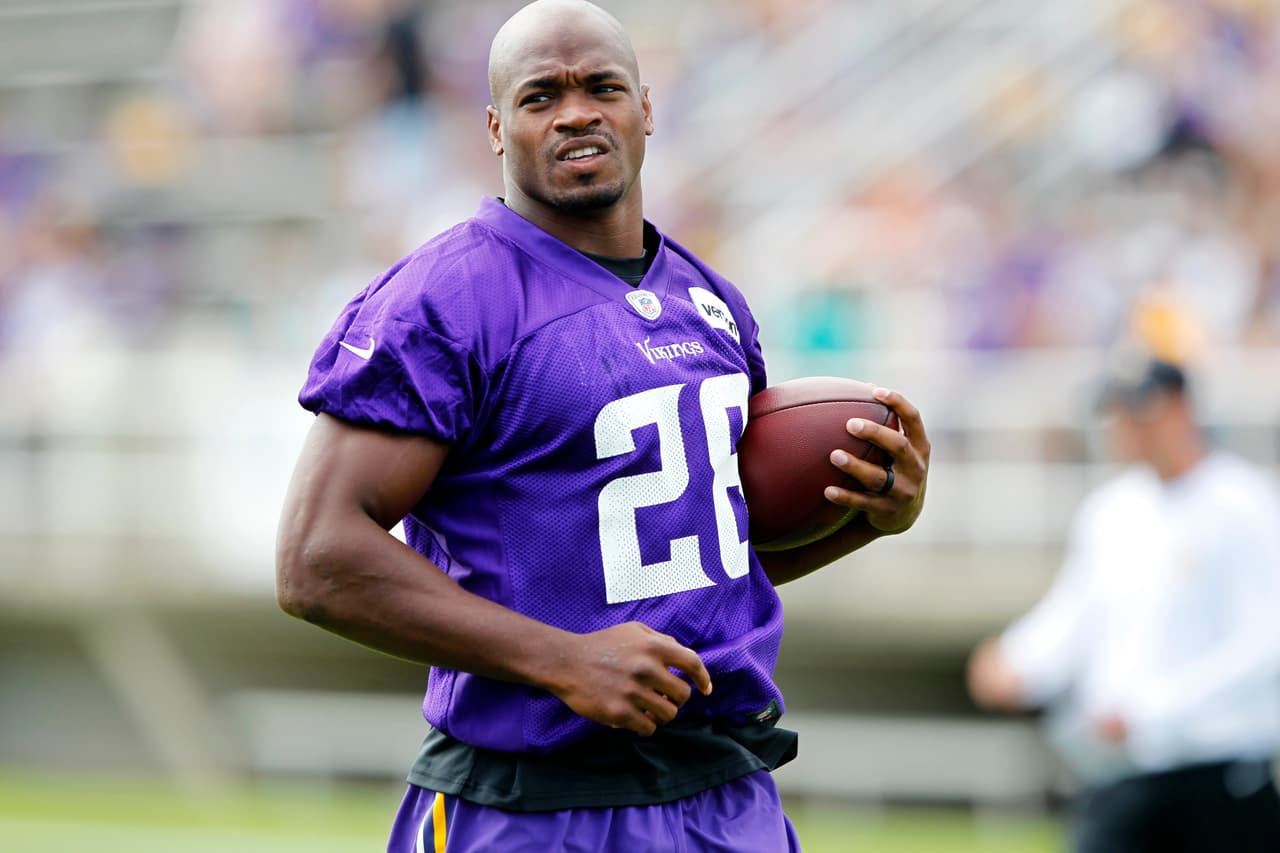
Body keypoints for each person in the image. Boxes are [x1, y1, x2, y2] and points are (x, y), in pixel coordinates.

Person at [275, 1, 930, 850]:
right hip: (531, 804)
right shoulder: (446, 298)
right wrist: (563, 658)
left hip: (724, 791)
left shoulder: (710, 302)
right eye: (541, 95)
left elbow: (695, 564)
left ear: (646, 109)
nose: (576, 112)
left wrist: (868, 518)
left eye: (602, 87)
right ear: (496, 127)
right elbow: (316, 558)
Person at [967, 353, 1280, 853]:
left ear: (1182, 410)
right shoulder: (1111, 510)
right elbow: (1076, 616)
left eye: (1141, 413)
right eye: (1118, 415)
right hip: (1123, 770)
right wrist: (1018, 660)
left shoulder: (1242, 503)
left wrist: (1150, 709)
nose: (1127, 429)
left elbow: (1265, 643)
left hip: (1219, 775)